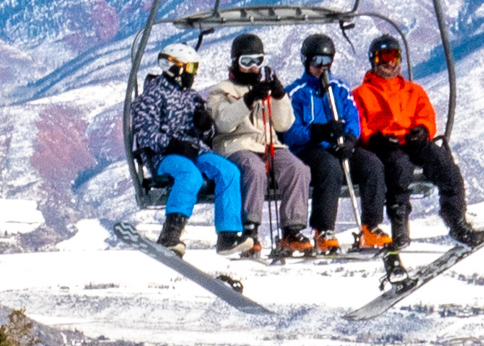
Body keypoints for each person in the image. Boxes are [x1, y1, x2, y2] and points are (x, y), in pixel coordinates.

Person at [353, 33, 483, 249]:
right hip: (387, 146)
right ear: (374, 60)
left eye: (393, 56)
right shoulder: (362, 94)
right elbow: (359, 124)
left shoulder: (413, 91)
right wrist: (375, 139)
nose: (389, 62)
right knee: (399, 167)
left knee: (444, 163)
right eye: (384, 57)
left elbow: (426, 115)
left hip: (413, 142)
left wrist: (423, 130)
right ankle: (400, 227)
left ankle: (457, 221)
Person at [202, 31, 312, 258]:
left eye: (257, 61)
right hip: (235, 146)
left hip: (268, 145)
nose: (253, 67)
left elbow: (284, 124)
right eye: (246, 62)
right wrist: (248, 100)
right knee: (253, 169)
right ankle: (249, 230)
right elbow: (224, 123)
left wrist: (279, 97)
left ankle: (292, 230)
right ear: (235, 62)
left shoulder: (266, 90)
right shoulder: (222, 90)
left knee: (297, 169)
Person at [130, 41, 244, 254]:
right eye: (191, 68)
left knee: (228, 171)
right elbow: (146, 135)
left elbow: (208, 136)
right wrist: (174, 144)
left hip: (195, 151)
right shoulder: (149, 99)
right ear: (173, 67)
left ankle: (228, 235)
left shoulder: (193, 97)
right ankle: (171, 233)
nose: (194, 74)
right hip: (164, 156)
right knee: (190, 175)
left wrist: (205, 126)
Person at [282, 32, 386, 254]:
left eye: (327, 62)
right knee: (330, 169)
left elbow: (352, 117)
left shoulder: (339, 88)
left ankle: (371, 225)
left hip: (338, 145)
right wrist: (319, 131)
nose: (322, 68)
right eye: (317, 62)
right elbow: (291, 133)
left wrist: (349, 138)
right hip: (309, 148)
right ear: (306, 61)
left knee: (371, 164)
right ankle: (324, 229)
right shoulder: (296, 93)